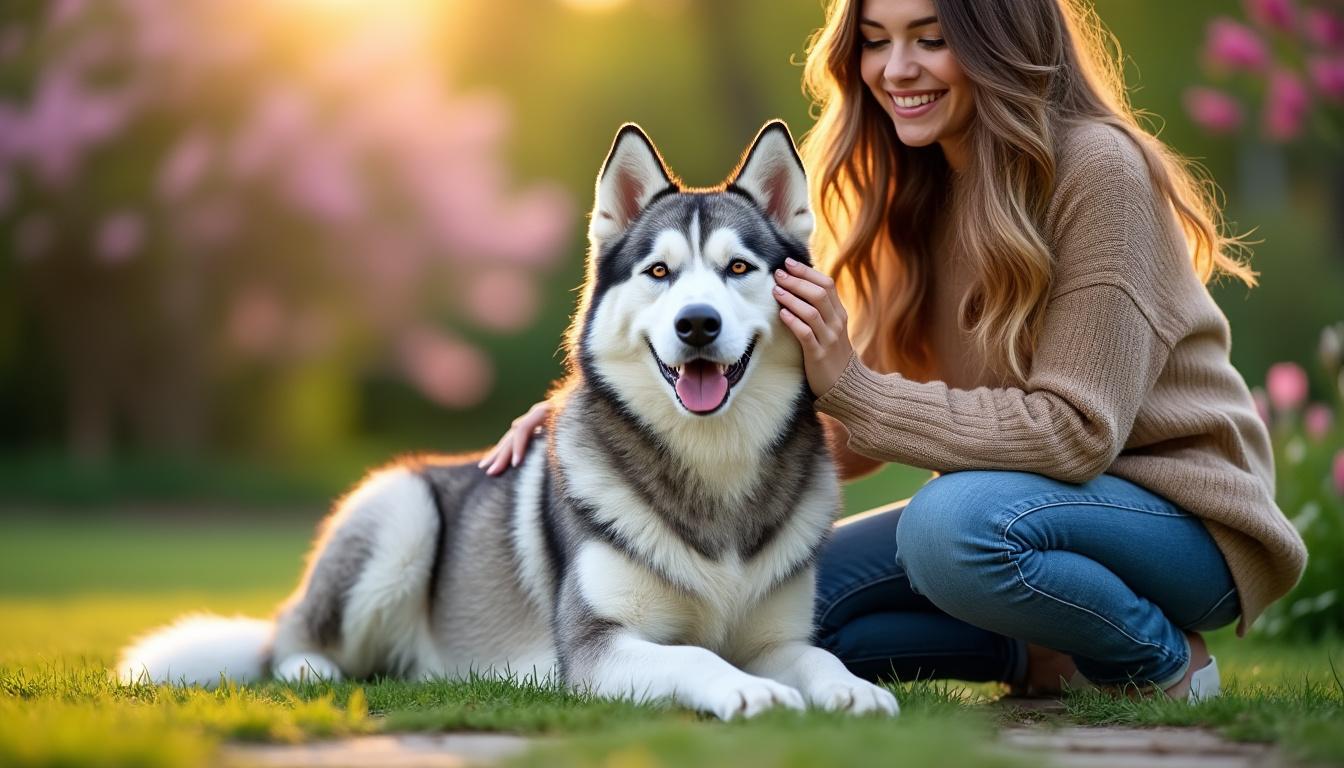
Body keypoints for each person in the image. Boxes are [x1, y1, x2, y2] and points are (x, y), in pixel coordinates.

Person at [478, 0, 1307, 701]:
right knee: (780, 601)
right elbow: (836, 428)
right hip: (1028, 513)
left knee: (950, 529)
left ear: (999, 40)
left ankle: (1162, 661)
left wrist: (854, 389)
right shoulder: (907, 190)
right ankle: (1048, 654)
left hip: (1178, 518)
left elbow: (1074, 433)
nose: (896, 68)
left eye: (929, 37)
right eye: (874, 41)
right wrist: (589, 424)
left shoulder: (1098, 170)